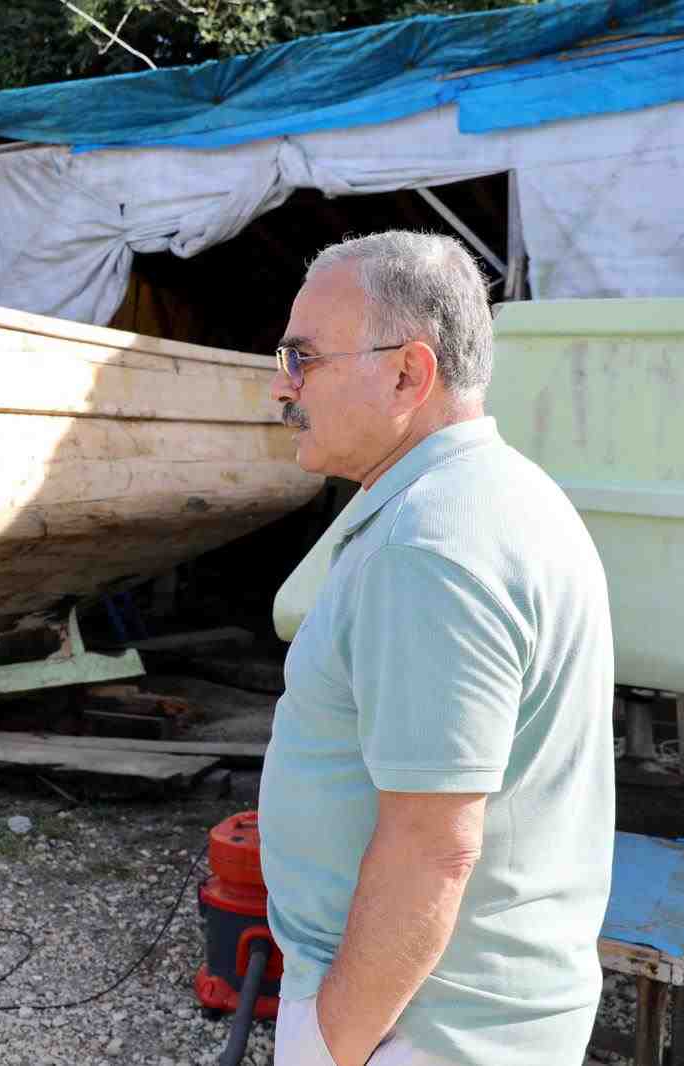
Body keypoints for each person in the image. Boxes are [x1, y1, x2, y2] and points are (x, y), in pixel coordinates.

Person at [258, 231, 615, 1066]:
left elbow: (432, 848)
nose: (281, 387)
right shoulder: (497, 494)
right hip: (454, 1014)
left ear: (407, 373)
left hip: (421, 1031)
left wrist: (335, 1041)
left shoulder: (431, 546)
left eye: (302, 358)